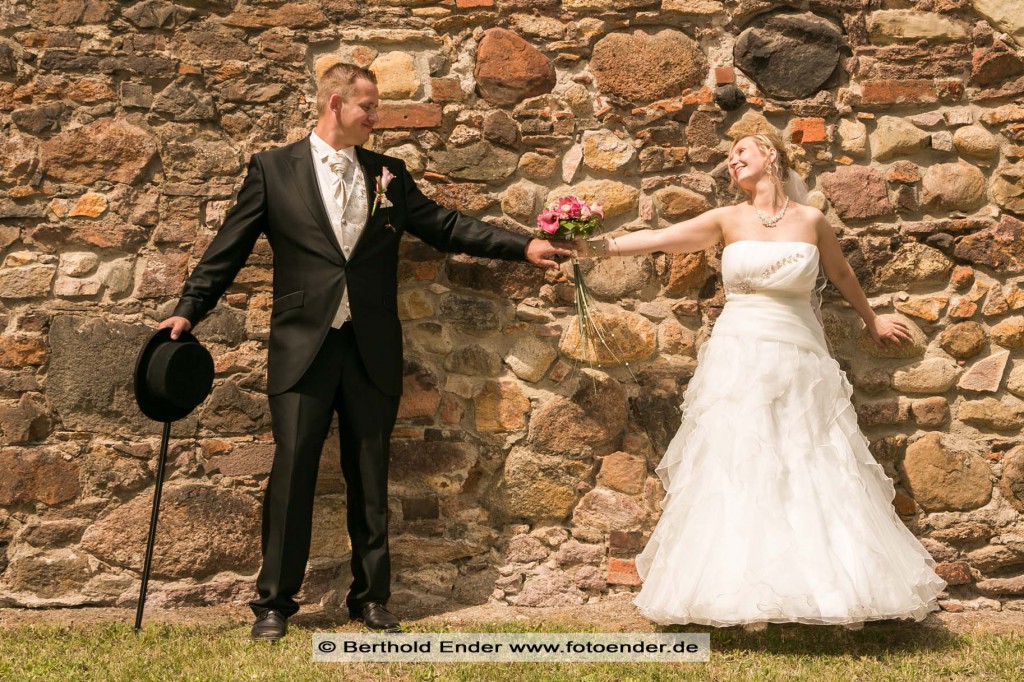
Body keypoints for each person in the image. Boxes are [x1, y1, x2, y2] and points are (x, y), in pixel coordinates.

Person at [159, 60, 572, 641]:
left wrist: (523, 246)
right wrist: (189, 307)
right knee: (293, 471)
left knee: (370, 474)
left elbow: (446, 226)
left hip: (370, 345)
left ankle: (372, 599)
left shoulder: (389, 176)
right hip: (303, 344)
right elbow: (228, 247)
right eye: (369, 107)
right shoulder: (274, 170)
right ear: (335, 105)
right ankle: (274, 603)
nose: (377, 118)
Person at [577, 132, 947, 629]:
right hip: (738, 353)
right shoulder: (726, 219)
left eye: (741, 152)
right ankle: (733, 591)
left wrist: (872, 318)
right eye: (729, 156)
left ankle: (829, 589)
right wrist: (592, 247)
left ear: (770, 156)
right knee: (738, 459)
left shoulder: (812, 221)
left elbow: (840, 274)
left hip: (800, 355)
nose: (732, 161)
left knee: (809, 456)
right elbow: (659, 239)